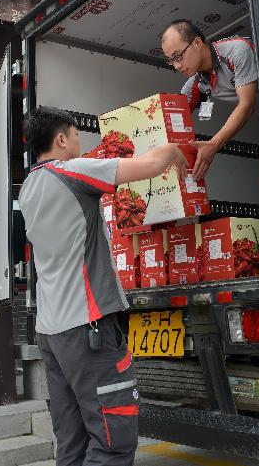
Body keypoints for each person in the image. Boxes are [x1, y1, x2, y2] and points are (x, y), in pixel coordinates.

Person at [19, 106, 187, 466]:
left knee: (73, 442)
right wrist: (174, 149)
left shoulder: (29, 187)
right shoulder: (72, 172)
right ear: (61, 139)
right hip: (87, 330)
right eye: (77, 134)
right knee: (113, 440)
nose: (81, 142)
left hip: (51, 333)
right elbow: (150, 167)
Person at [160, 19, 259, 180]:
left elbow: (247, 105)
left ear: (197, 43)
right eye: (171, 60)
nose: (176, 66)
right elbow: (171, 122)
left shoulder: (237, 50)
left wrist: (213, 144)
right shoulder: (195, 84)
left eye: (178, 56)